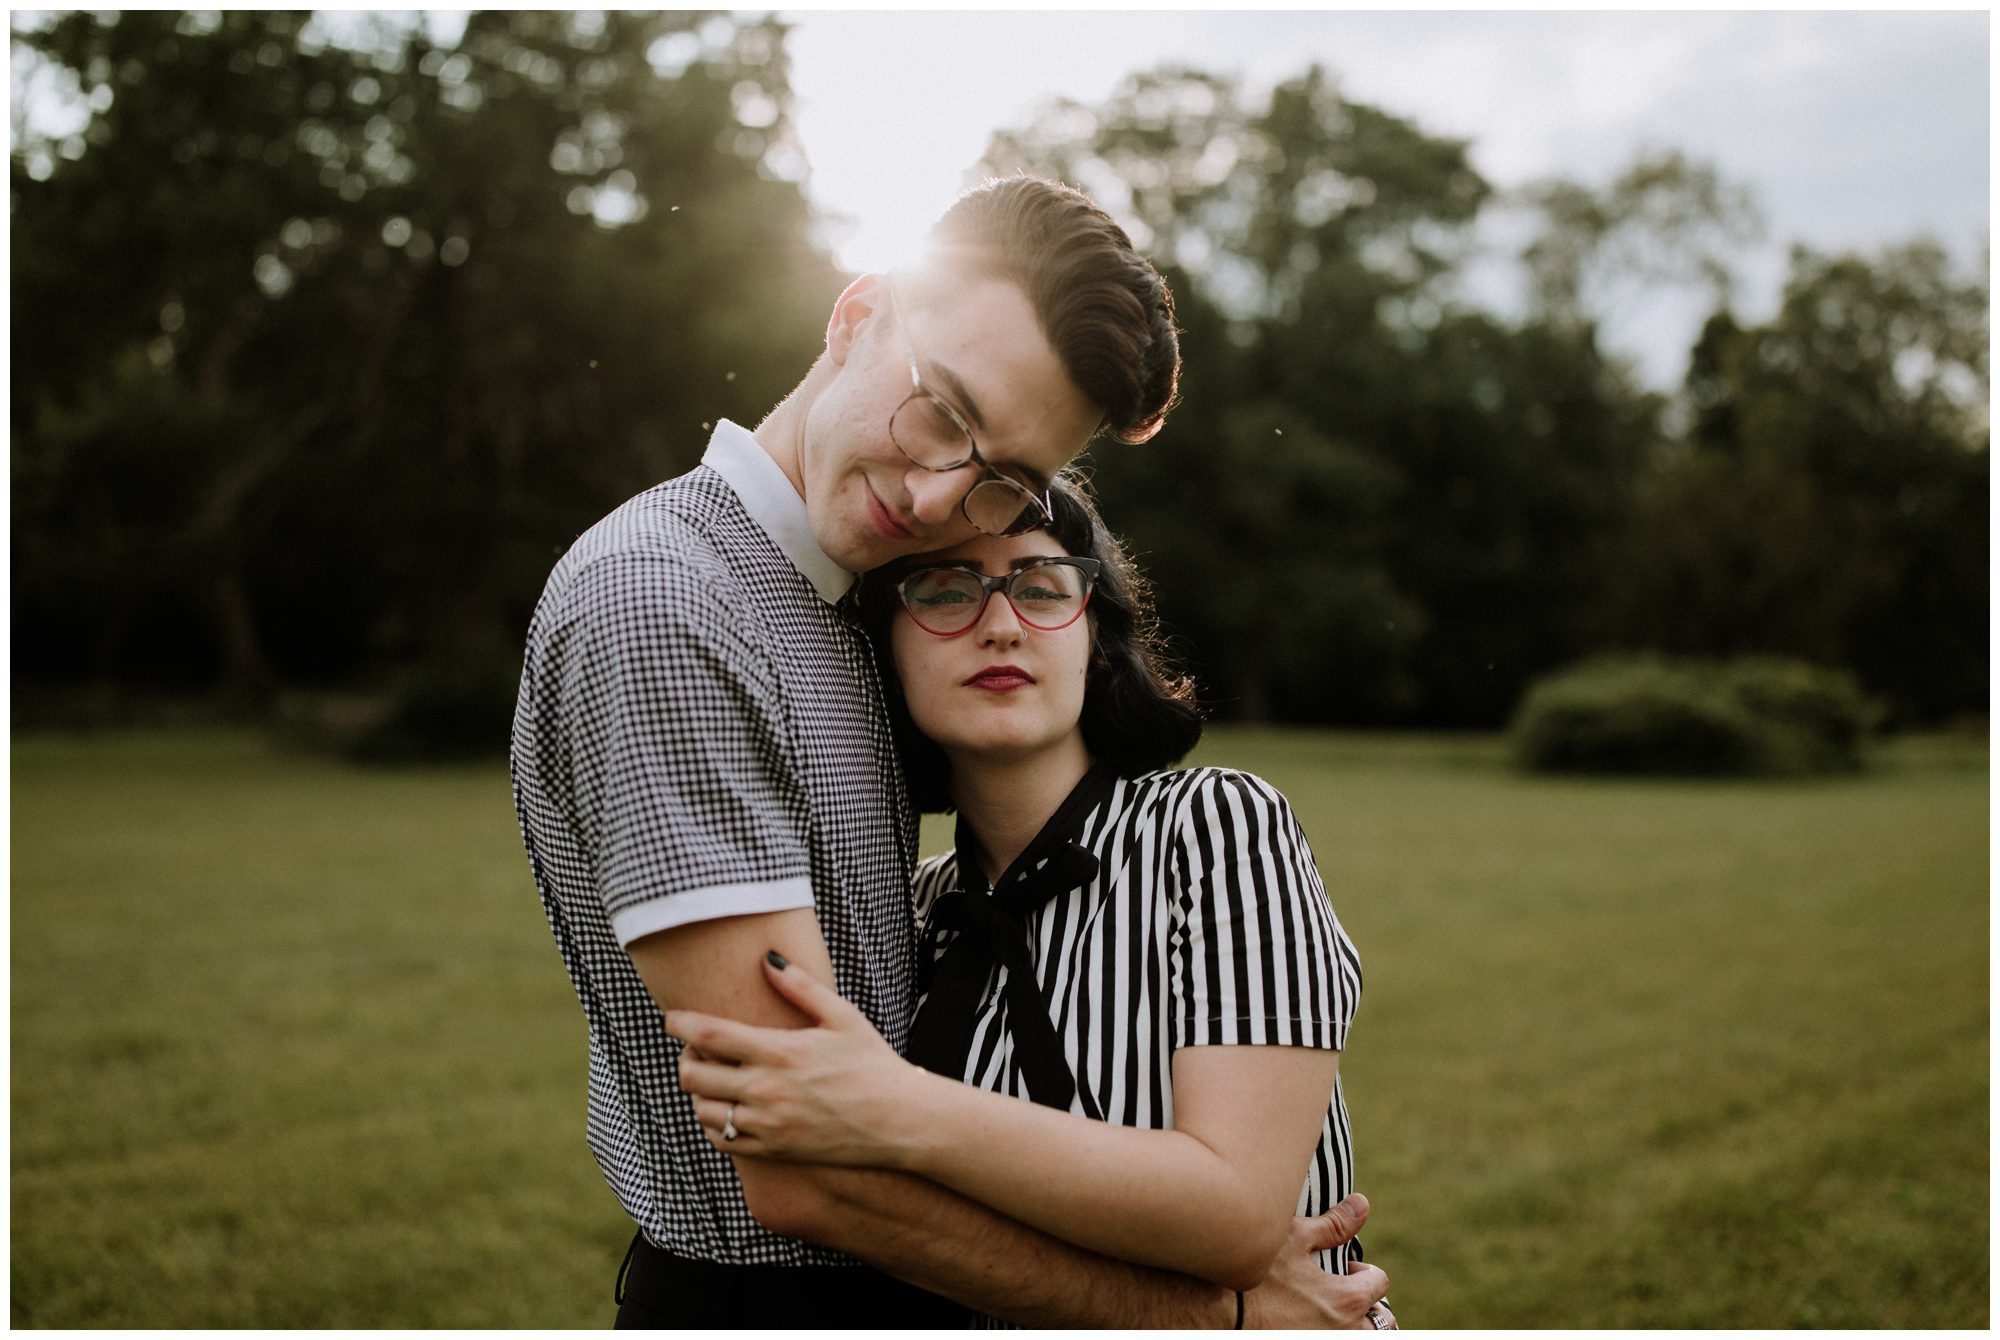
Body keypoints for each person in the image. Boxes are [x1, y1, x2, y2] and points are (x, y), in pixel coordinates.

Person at [511, 176, 1390, 1326]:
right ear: (854, 313)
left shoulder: (829, 601)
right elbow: (805, 1162)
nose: (936, 496)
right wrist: (1202, 1314)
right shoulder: (672, 603)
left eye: (1005, 482)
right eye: (940, 408)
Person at [666, 476, 1393, 1329]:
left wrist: (889, 1106)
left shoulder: (1217, 826)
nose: (1002, 623)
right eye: (945, 590)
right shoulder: (914, 914)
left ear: (1093, 636)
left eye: (1043, 588)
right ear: (888, 650)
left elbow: (1235, 1217)